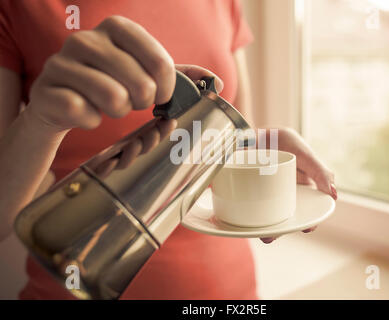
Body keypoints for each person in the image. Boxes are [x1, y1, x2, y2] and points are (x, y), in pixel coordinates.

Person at [0, 0, 337, 299]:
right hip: (73, 282)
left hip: (228, 290)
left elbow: (230, 144)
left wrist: (262, 155)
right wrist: (40, 121)